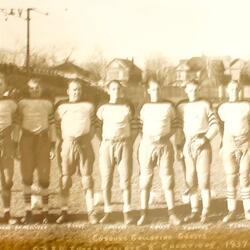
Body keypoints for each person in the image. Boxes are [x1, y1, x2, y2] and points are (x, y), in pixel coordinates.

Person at [136, 78, 181, 226]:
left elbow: (176, 124)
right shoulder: (143, 106)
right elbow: (138, 126)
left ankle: (172, 214)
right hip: (147, 146)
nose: (156, 91)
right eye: (153, 89)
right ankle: (144, 214)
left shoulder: (169, 105)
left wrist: (165, 136)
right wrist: (148, 139)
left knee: (168, 180)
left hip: (164, 146)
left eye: (159, 89)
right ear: (149, 91)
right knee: (145, 181)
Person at [176, 79, 219, 224]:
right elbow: (178, 129)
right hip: (188, 144)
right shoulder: (181, 106)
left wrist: (205, 139)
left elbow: (215, 126)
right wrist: (178, 146)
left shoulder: (205, 104)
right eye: (189, 90)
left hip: (202, 143)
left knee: (204, 180)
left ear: (199, 90)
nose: (192, 93)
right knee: (190, 180)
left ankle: (205, 211)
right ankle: (194, 211)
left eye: (195, 90)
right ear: (185, 90)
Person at [55, 80, 98, 224]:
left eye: (79, 89)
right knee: (65, 179)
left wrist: (86, 138)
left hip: (84, 144)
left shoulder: (89, 106)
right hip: (67, 144)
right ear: (68, 91)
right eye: (74, 89)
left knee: (87, 178)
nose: (76, 92)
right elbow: (55, 125)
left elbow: (94, 125)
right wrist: (66, 139)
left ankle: (91, 212)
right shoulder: (61, 106)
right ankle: (64, 211)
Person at [96, 80, 138, 225]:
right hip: (107, 145)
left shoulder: (127, 106)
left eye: (118, 89)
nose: (116, 91)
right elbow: (96, 126)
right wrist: (103, 141)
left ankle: (127, 211)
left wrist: (130, 142)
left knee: (125, 180)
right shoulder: (102, 107)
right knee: (106, 180)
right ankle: (108, 212)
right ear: (108, 90)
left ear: (121, 90)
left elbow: (135, 126)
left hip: (124, 144)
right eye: (113, 89)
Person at [15, 78, 56, 224]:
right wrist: (15, 145)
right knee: (27, 178)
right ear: (28, 89)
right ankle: (28, 212)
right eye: (31, 88)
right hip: (26, 140)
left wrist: (53, 145)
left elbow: (52, 126)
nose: (34, 90)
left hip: (43, 140)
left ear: (42, 88)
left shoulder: (48, 104)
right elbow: (17, 126)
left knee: (44, 178)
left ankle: (45, 212)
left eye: (37, 88)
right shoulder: (22, 103)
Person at [217, 80, 250, 223]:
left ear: (240, 90)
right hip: (229, 144)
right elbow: (219, 127)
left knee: (244, 176)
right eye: (231, 89)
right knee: (231, 177)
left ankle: (247, 210)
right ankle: (231, 210)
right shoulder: (222, 107)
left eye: (236, 89)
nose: (234, 91)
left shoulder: (247, 105)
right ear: (227, 91)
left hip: (245, 145)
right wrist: (222, 144)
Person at [0, 73, 18, 224]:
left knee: (7, 180)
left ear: (5, 85)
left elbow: (17, 124)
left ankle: (7, 213)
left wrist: (15, 143)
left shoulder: (12, 103)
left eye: (0, 83)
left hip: (6, 143)